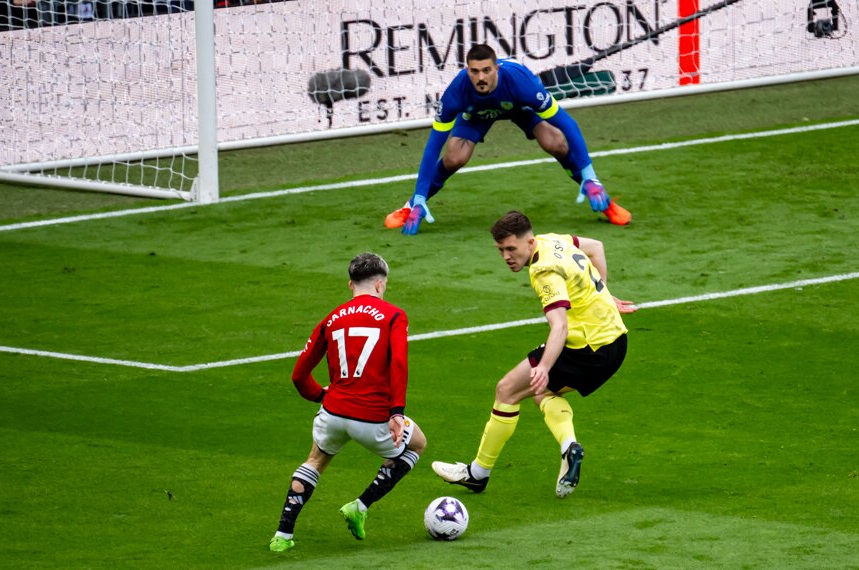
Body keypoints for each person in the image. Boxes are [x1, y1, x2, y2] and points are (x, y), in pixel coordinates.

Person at [431, 210, 636, 497]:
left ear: (528, 243)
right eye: (500, 250)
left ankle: (478, 474)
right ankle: (569, 448)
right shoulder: (554, 240)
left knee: (506, 391)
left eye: (511, 248)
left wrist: (543, 366)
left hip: (588, 349)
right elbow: (595, 247)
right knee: (543, 394)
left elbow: (560, 326)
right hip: (615, 343)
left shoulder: (542, 272)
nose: (506, 256)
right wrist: (601, 292)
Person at [385, 43, 631, 236]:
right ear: (467, 70)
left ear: (496, 68)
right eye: (474, 71)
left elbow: (568, 124)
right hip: (477, 114)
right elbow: (432, 147)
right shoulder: (456, 93)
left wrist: (590, 175)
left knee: (555, 142)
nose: (480, 77)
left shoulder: (522, 83)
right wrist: (418, 195)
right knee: (453, 157)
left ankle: (602, 199)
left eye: (486, 70)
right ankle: (412, 207)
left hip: (518, 106)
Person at [269, 252, 426, 552]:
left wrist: (321, 396)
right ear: (380, 285)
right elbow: (399, 365)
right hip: (374, 420)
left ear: (350, 285)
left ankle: (283, 535)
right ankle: (361, 506)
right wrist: (396, 412)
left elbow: (299, 375)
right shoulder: (394, 315)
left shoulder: (331, 319)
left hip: (334, 413)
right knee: (417, 443)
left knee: (315, 460)